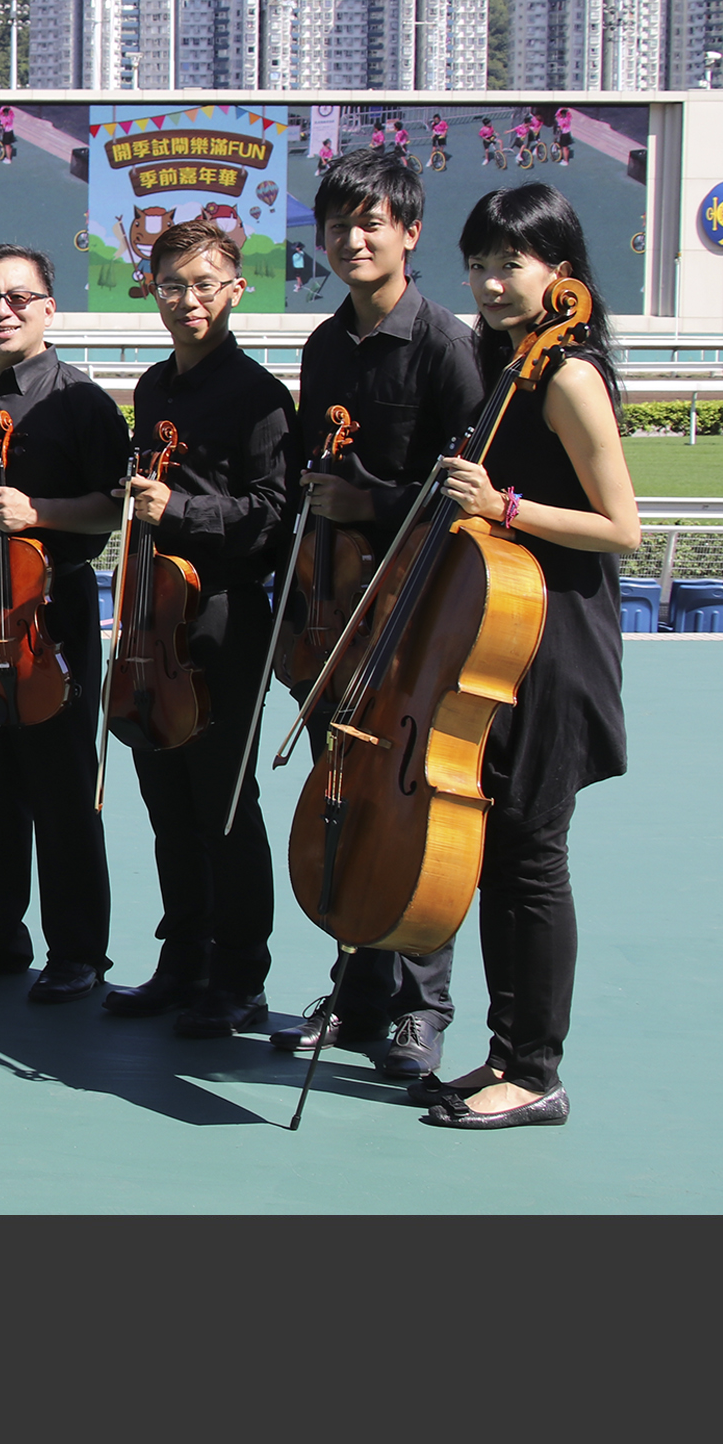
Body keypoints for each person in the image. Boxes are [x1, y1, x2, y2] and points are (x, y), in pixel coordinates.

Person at [414, 183, 640, 1127]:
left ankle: (537, 1071)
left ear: (562, 271)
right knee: (503, 853)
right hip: (504, 636)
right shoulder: (505, 365)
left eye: (512, 263)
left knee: (533, 858)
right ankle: (506, 1054)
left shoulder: (570, 376)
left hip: (557, 643)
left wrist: (502, 506)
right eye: (478, 264)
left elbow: (621, 527)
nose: (492, 283)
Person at [272, 146, 488, 1083]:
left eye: (371, 223)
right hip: (337, 611)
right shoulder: (324, 346)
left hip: (419, 610)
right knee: (344, 800)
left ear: (409, 233)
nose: (352, 240)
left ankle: (422, 1008)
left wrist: (373, 501)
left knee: (412, 808)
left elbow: (472, 491)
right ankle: (356, 992)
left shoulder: (446, 346)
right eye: (337, 225)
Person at [0, 243, 131, 1003]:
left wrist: (36, 513)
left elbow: (115, 508)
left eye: (18, 298)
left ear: (49, 306)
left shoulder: (82, 401)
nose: (0, 311)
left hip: (50, 610)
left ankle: (78, 951)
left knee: (62, 783)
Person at [100, 222, 292, 1034]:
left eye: (204, 283)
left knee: (222, 803)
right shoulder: (153, 387)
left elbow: (273, 517)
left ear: (235, 289)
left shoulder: (260, 396)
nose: (188, 300)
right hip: (154, 617)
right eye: (173, 285)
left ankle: (240, 976)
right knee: (167, 802)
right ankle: (181, 960)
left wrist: (177, 509)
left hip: (223, 620)